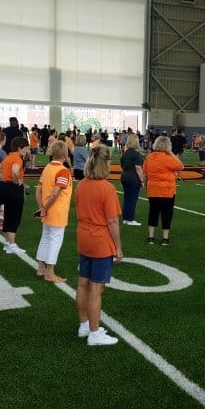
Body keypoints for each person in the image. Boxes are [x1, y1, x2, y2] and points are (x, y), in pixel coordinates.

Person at [74, 145, 123, 346]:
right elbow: (112, 221)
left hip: (84, 237)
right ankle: (94, 333)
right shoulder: (106, 188)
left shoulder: (82, 185)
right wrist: (118, 247)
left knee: (82, 283)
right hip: (100, 240)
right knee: (96, 288)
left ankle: (84, 324)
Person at [35, 140, 72, 283]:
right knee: (55, 240)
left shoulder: (47, 168)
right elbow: (56, 193)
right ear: (65, 154)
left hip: (47, 210)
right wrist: (44, 208)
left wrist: (41, 207)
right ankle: (50, 272)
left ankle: (41, 268)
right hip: (57, 212)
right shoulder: (63, 171)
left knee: (45, 238)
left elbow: (39, 189)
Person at [142, 136, 184, 246]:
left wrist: (145, 184)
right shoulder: (168, 158)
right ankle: (165, 239)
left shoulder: (149, 157)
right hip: (167, 190)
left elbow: (145, 173)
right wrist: (171, 153)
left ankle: (151, 237)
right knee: (167, 214)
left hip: (153, 189)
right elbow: (180, 166)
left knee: (153, 213)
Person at [0, 137, 29, 254]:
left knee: (7, 215)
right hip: (13, 189)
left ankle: (7, 242)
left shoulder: (8, 157)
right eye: (25, 149)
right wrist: (17, 182)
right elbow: (15, 171)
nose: (26, 152)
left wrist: (6, 179)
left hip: (5, 187)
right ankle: (12, 244)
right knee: (14, 216)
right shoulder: (17, 158)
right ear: (20, 148)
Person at [120, 134, 145, 226]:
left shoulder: (125, 154)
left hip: (124, 177)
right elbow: (138, 168)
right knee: (132, 199)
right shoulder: (136, 154)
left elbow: (122, 166)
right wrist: (142, 180)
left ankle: (126, 218)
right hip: (133, 178)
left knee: (127, 199)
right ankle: (130, 219)